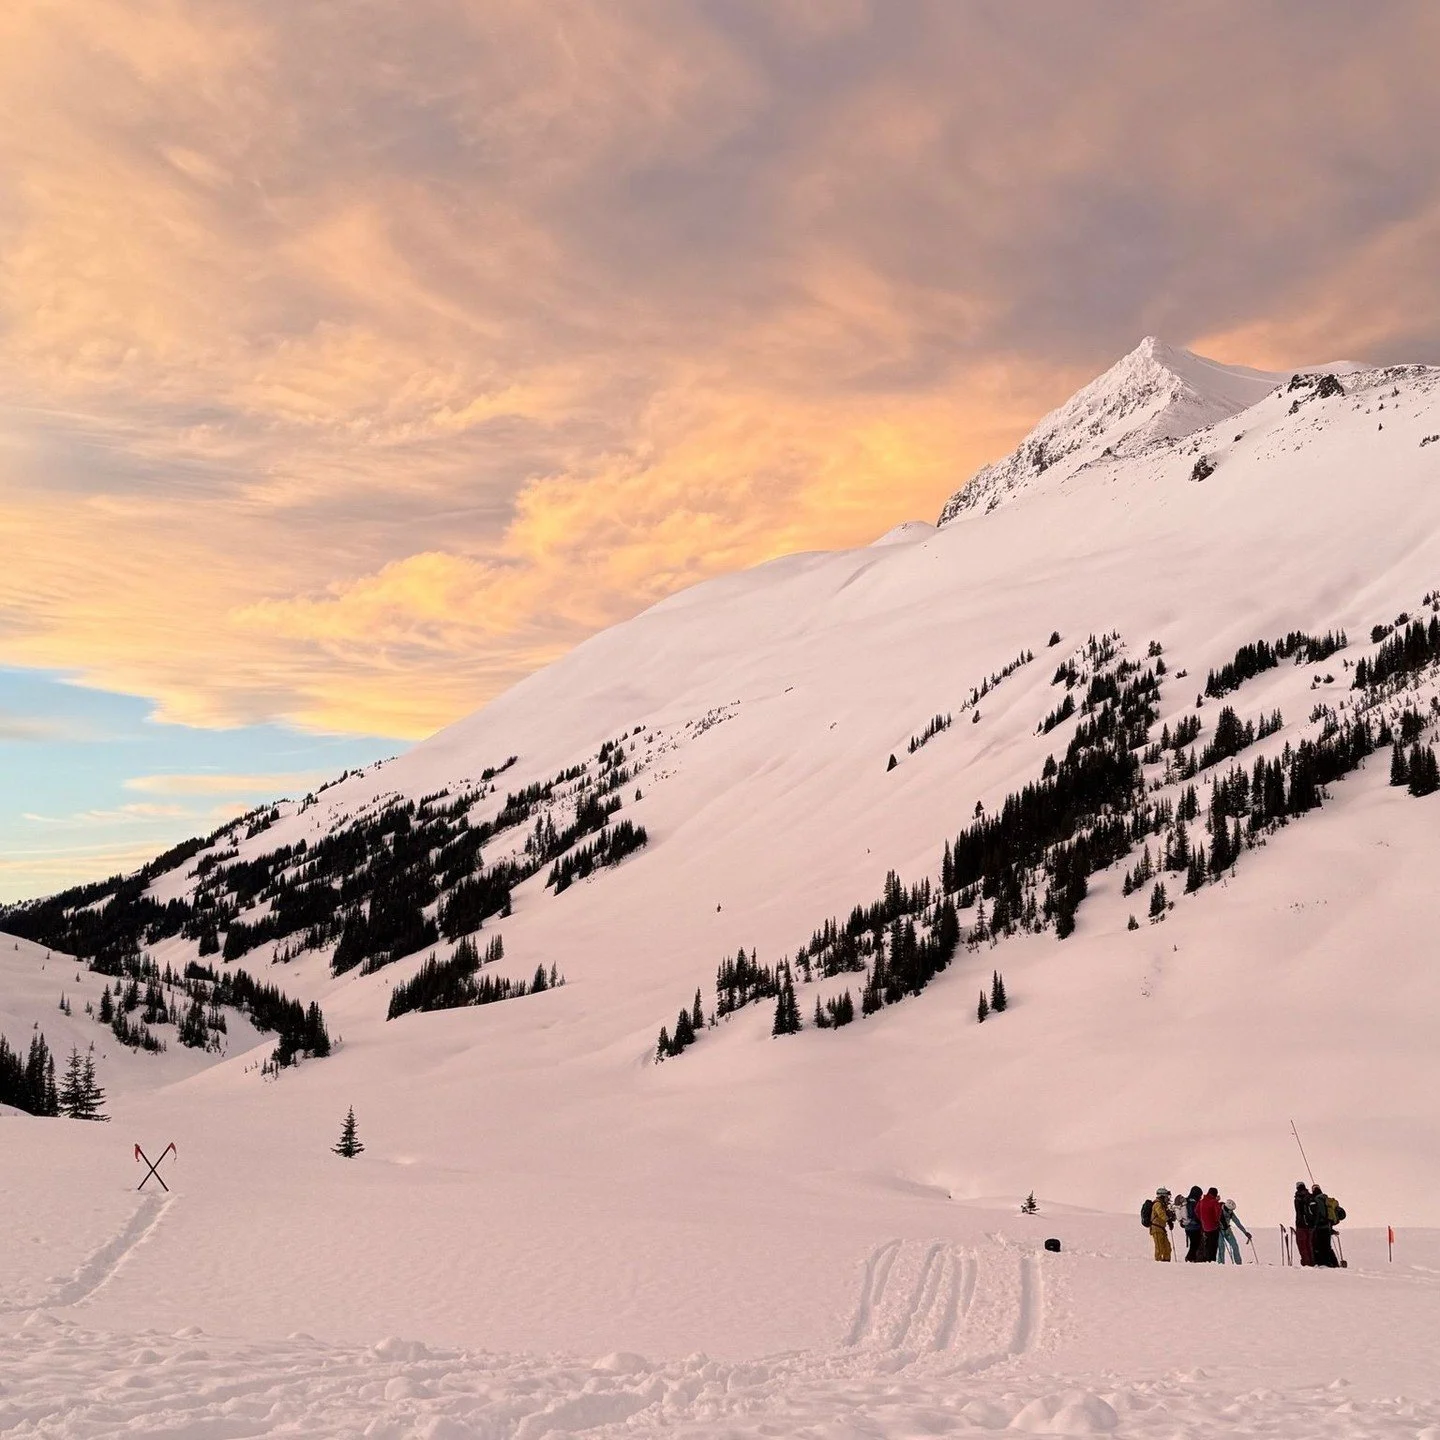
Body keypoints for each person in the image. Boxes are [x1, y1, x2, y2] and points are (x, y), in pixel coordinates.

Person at [1310, 1183, 1340, 1267]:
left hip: (1320, 1227)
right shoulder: (1326, 1199)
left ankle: (1324, 1264)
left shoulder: (1315, 1200)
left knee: (1319, 1246)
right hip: (1328, 1226)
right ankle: (1334, 1264)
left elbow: (1316, 1214)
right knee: (1327, 1247)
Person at [1218, 1199, 1252, 1263]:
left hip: (1227, 1230)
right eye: (1230, 1210)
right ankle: (1221, 1265)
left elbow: (1237, 1222)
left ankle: (1238, 1263)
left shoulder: (1231, 1213)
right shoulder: (1218, 1210)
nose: (1231, 1211)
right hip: (1219, 1231)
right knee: (1221, 1247)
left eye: (1232, 1210)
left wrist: (1245, 1232)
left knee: (1235, 1245)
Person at [1197, 1186, 1223, 1261]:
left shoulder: (1201, 1201)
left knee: (1207, 1244)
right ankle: (1212, 1261)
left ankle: (1206, 1259)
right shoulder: (1214, 1202)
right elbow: (1217, 1214)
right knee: (1213, 1245)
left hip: (1204, 1227)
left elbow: (1196, 1211)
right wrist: (1216, 1222)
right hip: (1213, 1227)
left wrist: (1202, 1219)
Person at [1149, 1187, 1175, 1261]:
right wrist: (1168, 1220)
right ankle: (1158, 1264)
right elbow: (1161, 1214)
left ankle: (1166, 1261)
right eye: (1166, 1196)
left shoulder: (1162, 1205)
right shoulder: (1157, 1204)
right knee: (1159, 1248)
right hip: (1156, 1229)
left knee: (1167, 1248)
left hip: (1161, 1229)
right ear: (1162, 1196)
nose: (1167, 1198)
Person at [1293, 1180, 1315, 1266]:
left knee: (1302, 1245)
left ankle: (1306, 1263)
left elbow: (1299, 1211)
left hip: (1301, 1224)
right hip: (1310, 1225)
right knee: (1309, 1244)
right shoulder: (1310, 1196)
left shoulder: (1298, 1198)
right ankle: (1312, 1262)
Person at [1181, 1185, 1205, 1261]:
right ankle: (1189, 1258)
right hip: (1194, 1226)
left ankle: (1192, 1258)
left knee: (1194, 1243)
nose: (1200, 1197)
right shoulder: (1193, 1202)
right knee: (1195, 1244)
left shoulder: (1186, 1201)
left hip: (1187, 1227)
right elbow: (1193, 1213)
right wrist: (1198, 1220)